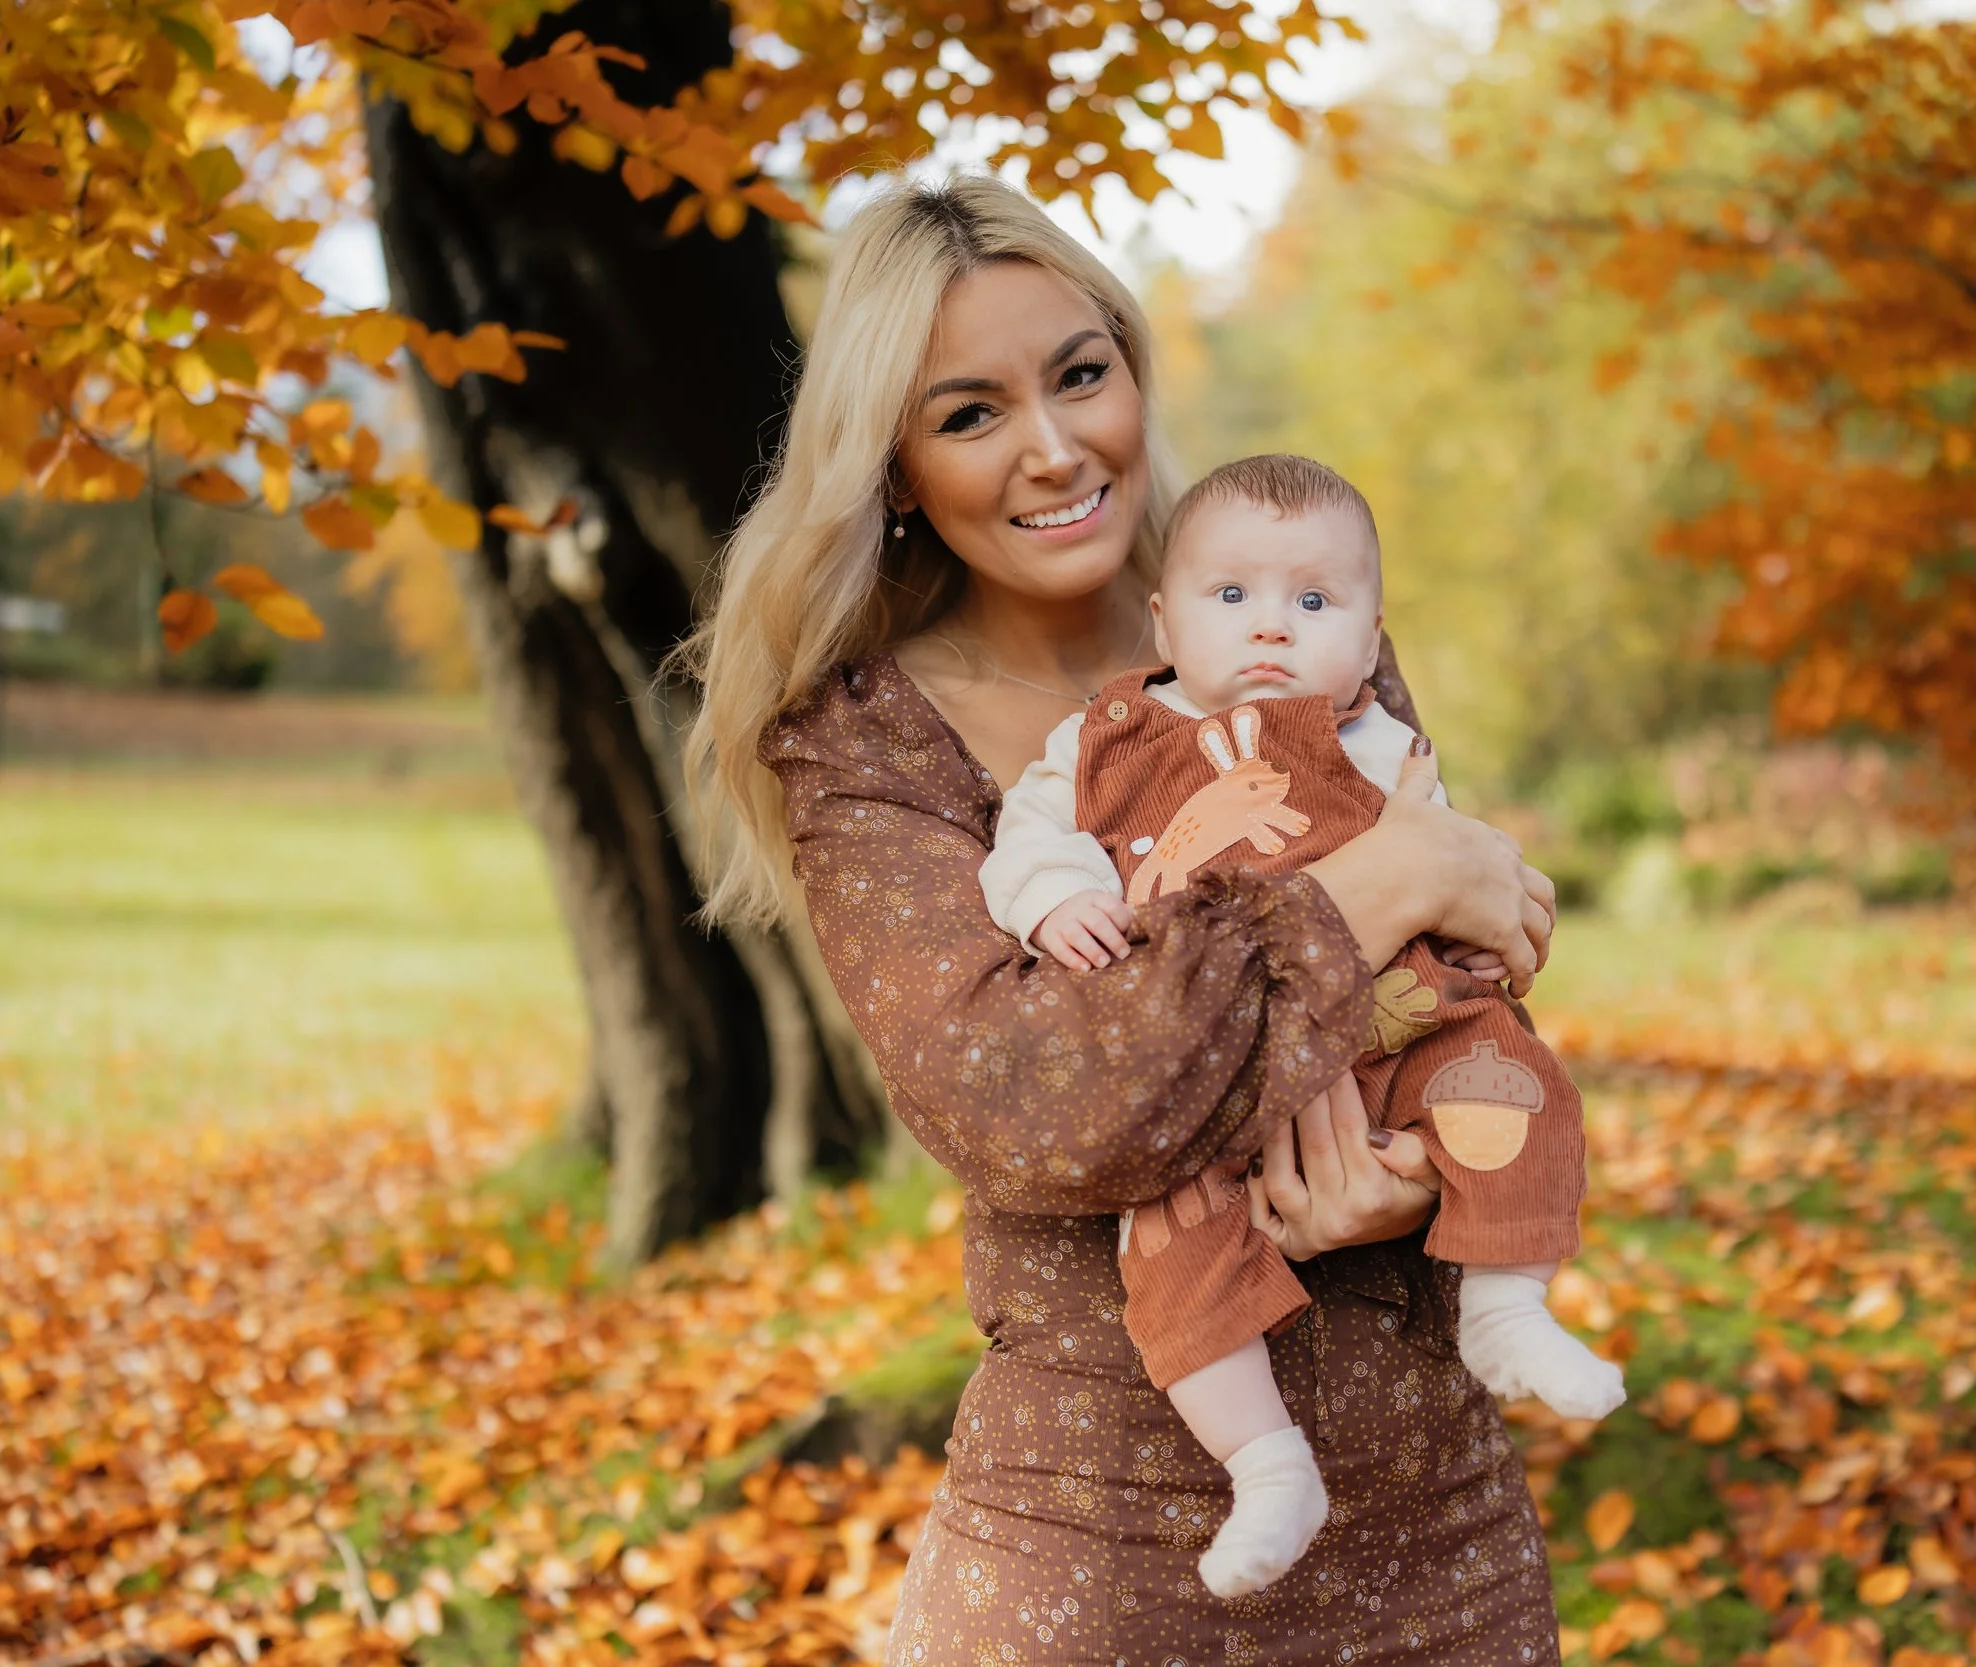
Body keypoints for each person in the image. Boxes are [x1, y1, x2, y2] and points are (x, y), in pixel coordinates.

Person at [690, 174, 1568, 1664]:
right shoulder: (864, 743)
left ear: (1135, 375)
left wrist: (1421, 1178)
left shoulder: (1283, 616)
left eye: (1081, 374)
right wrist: (1393, 878)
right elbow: (1038, 1103)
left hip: (1441, 1542)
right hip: (1096, 1559)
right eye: (968, 413)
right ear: (895, 465)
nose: (1053, 446)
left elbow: (1464, 994)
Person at [976, 453, 1624, 1598]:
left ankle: (1507, 1304)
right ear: (1165, 617)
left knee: (1508, 1077)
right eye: (1233, 598)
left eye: (1313, 603)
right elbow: (1028, 837)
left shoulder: (1375, 740)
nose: (1271, 627)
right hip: (1204, 1063)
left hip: (1390, 1029)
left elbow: (1455, 862)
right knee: (1170, 1236)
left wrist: (1485, 925)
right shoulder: (1103, 744)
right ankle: (1266, 1461)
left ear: (1372, 638)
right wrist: (1056, 894)